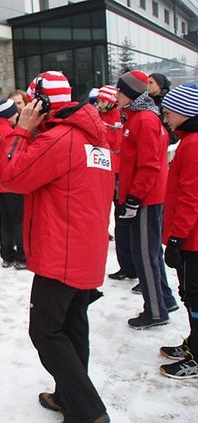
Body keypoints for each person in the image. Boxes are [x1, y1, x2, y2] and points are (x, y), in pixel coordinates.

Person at [0, 71, 113, 423]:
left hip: (61, 255)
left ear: (40, 104)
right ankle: (69, 397)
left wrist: (22, 130)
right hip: (85, 251)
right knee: (73, 325)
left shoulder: (58, 139)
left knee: (45, 330)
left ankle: (89, 411)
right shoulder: (94, 136)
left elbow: (9, 177)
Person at [115, 70, 178, 328]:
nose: (116, 95)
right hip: (145, 197)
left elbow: (149, 165)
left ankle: (155, 311)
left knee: (145, 255)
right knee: (148, 253)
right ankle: (164, 298)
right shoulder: (139, 118)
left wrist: (133, 198)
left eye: (120, 91)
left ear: (130, 94)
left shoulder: (144, 120)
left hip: (145, 199)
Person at [159, 83, 198, 379]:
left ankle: (197, 355)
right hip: (188, 237)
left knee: (195, 295)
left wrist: (177, 236)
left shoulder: (194, 144)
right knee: (189, 293)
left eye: (170, 111)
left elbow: (191, 196)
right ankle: (194, 342)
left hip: (192, 240)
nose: (166, 116)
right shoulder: (188, 141)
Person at [97, 85, 137, 281]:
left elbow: (116, 146)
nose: (99, 104)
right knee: (118, 222)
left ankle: (133, 267)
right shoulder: (102, 117)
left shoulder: (119, 120)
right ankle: (126, 266)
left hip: (119, 175)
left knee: (123, 221)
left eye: (102, 101)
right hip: (108, 173)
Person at [0, 98, 26, 268]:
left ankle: (7, 256)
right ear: (10, 114)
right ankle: (21, 257)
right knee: (18, 221)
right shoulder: (10, 133)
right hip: (12, 183)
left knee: (5, 221)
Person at [149, 72, 179, 145]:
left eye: (151, 82)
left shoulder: (170, 103)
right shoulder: (143, 103)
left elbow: (174, 135)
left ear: (160, 85)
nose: (147, 85)